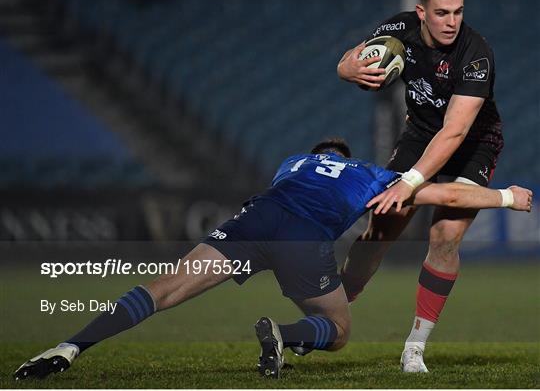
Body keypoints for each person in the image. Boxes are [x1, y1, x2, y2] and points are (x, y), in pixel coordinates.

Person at [14, 139, 531, 381]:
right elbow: (449, 195)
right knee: (338, 327)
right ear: (344, 155)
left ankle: (70, 346)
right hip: (302, 239)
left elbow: (312, 166)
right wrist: (506, 197)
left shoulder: (292, 161)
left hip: (254, 218)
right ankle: (287, 336)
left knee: (163, 288)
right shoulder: (370, 174)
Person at [337, 0, 506, 372]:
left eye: (458, 12)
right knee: (381, 227)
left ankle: (414, 348)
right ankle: (330, 313)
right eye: (442, 13)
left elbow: (455, 132)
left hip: (473, 144)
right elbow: (349, 60)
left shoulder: (475, 54)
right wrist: (348, 69)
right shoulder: (400, 28)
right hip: (420, 133)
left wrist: (410, 182)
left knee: (445, 235)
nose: (452, 22)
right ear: (421, 11)